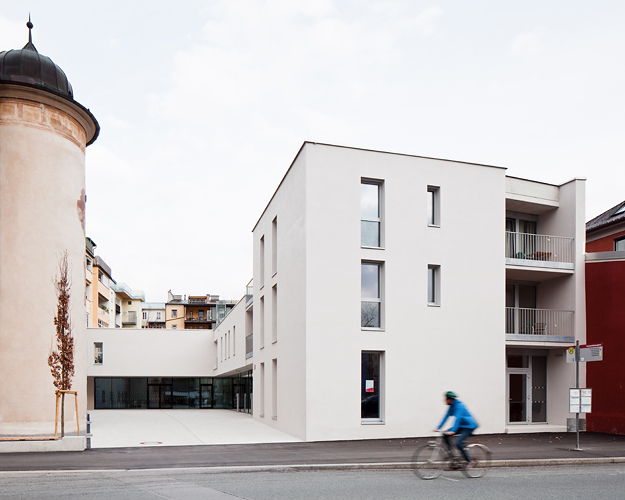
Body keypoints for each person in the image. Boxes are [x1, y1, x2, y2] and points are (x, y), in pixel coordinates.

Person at [434, 391, 478, 465]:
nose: (444, 400)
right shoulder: (451, 406)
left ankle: (469, 461)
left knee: (457, 443)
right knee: (445, 434)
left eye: (445, 399)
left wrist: (453, 430)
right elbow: (446, 416)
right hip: (461, 426)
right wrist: (438, 427)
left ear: (450, 399)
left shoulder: (459, 406)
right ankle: (452, 454)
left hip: (469, 427)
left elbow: (457, 418)